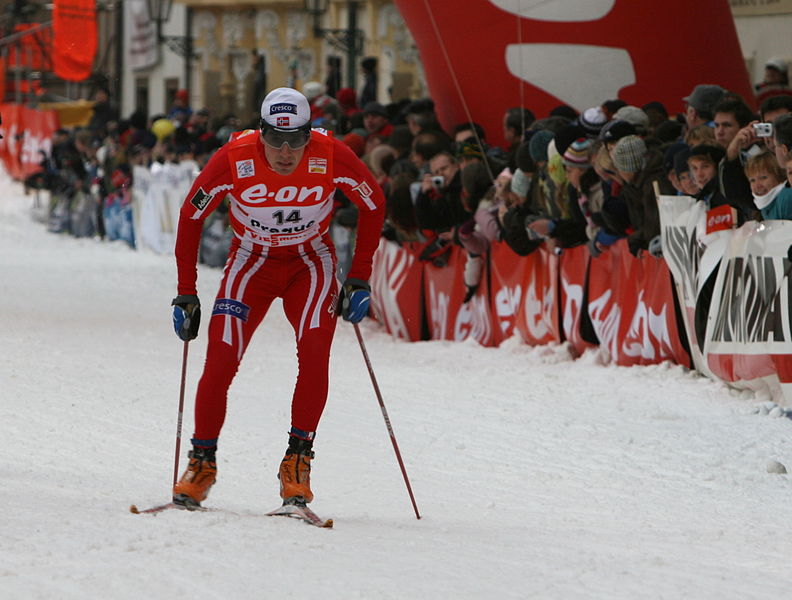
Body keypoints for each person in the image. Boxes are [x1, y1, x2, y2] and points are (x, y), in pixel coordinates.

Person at [170, 87, 386, 509]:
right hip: (252, 262)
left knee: (314, 351)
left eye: (297, 140)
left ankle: (298, 460)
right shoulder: (234, 158)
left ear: (311, 133)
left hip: (311, 263)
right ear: (260, 131)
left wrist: (359, 277)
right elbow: (190, 215)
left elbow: (373, 202)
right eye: (275, 140)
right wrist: (186, 292)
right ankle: (201, 462)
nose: (286, 152)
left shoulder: (332, 154)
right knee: (220, 361)